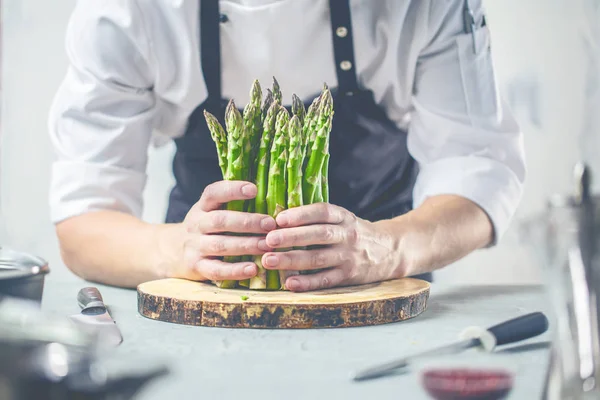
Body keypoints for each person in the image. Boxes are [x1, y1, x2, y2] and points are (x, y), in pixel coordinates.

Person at [48, 0, 525, 292]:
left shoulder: (419, 4)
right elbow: (84, 221)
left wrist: (391, 247)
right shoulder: (130, 10)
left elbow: (477, 165)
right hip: (206, 302)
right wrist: (177, 248)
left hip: (379, 299)